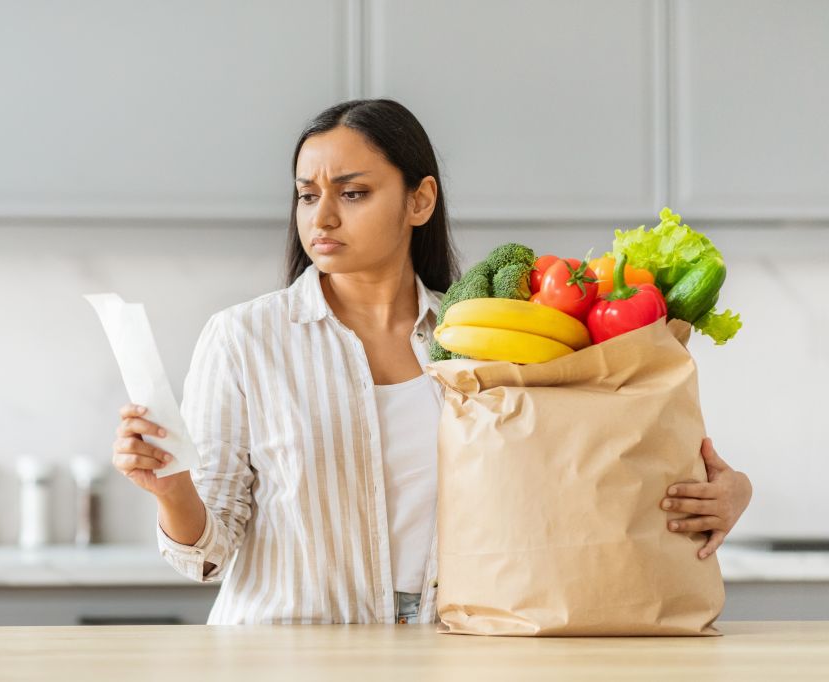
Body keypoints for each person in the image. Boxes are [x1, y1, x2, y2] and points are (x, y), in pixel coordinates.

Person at [110, 99, 753, 625]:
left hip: (451, 650)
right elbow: (209, 555)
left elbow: (576, 481)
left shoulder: (486, 335)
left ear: (420, 201)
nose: (323, 216)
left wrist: (730, 493)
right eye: (307, 196)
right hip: (287, 657)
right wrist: (171, 490)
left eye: (354, 193)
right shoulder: (243, 339)